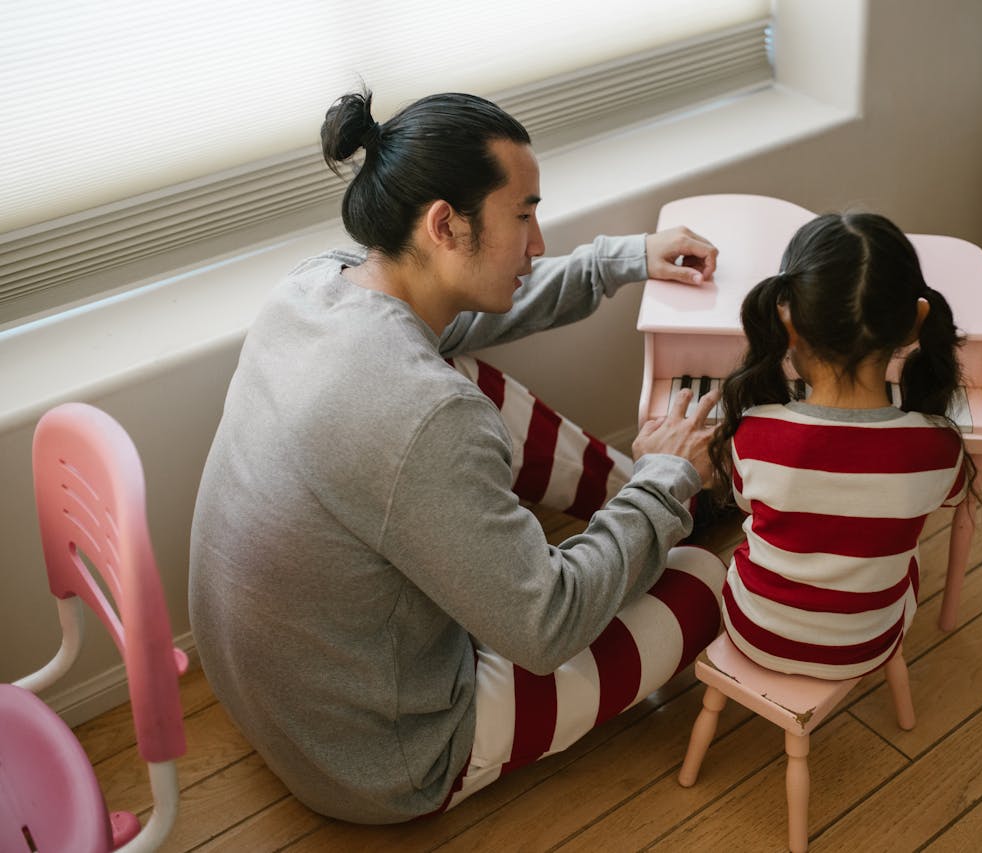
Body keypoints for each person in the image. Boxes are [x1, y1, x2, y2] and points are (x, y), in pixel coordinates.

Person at [188, 89, 728, 824]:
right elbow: (548, 626)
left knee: (464, 375)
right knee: (703, 578)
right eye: (524, 214)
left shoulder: (316, 287)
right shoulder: (423, 415)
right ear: (445, 224)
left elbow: (480, 302)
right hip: (381, 759)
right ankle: (672, 489)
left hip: (280, 688)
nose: (537, 241)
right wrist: (664, 493)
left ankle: (656, 486)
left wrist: (621, 262)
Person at [706, 211, 976, 681]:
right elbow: (947, 498)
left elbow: (751, 508)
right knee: (908, 554)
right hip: (867, 647)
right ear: (916, 321)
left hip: (755, 632)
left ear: (786, 319)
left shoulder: (754, 432)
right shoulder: (938, 447)